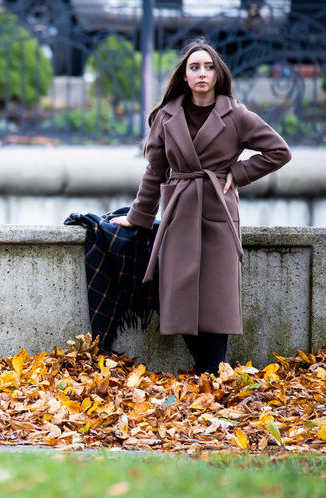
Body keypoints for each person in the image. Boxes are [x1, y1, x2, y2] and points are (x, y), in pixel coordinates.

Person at [111, 39, 291, 375]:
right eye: (195, 67)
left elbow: (279, 152)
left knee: (217, 297)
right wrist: (138, 217)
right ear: (185, 76)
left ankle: (212, 371)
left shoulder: (236, 114)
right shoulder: (166, 117)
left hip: (218, 211)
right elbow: (154, 172)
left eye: (208, 67)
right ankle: (208, 371)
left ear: (218, 74)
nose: (202, 73)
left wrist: (238, 173)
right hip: (179, 212)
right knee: (179, 296)